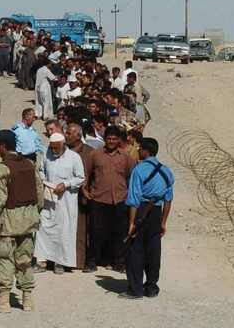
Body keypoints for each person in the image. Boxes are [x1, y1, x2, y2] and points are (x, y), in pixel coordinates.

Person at [0, 129, 43, 313]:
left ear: (2, 146)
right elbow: (39, 193)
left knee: (3, 258)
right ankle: (27, 300)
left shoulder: (1, 169)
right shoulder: (29, 165)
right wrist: (33, 213)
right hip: (28, 221)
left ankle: (3, 300)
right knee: (25, 259)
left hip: (7, 222)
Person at [123, 137, 175, 299]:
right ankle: (152, 286)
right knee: (153, 251)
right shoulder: (166, 172)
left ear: (146, 151)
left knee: (135, 250)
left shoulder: (139, 170)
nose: (138, 151)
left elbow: (134, 198)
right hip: (156, 213)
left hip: (140, 211)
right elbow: (168, 199)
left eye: (139, 148)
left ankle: (136, 289)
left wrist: (132, 223)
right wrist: (163, 222)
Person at [83, 126, 136, 273]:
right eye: (109, 139)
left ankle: (117, 261)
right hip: (98, 198)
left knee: (118, 232)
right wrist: (84, 190)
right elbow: (86, 174)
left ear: (119, 140)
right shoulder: (95, 155)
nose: (111, 141)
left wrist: (130, 195)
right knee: (95, 231)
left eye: (114, 139)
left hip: (119, 199)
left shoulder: (125, 156)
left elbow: (132, 175)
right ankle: (92, 261)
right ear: (104, 139)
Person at [33, 132, 86, 273]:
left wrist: (66, 184)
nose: (54, 151)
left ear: (63, 146)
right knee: (44, 228)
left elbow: (80, 177)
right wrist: (44, 181)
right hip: (49, 200)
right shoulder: (47, 155)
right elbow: (42, 170)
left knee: (63, 231)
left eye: (56, 148)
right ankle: (42, 261)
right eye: (52, 148)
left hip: (66, 201)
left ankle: (59, 262)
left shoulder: (74, 158)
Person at [65, 122, 94, 271]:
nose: (66, 135)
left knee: (81, 230)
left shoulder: (89, 153)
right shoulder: (62, 151)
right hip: (64, 197)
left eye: (69, 133)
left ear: (78, 135)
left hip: (81, 198)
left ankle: (79, 260)